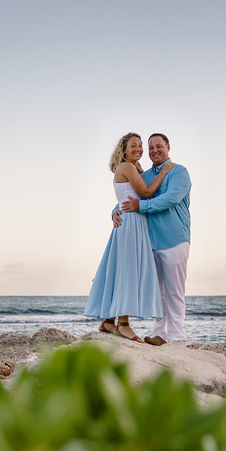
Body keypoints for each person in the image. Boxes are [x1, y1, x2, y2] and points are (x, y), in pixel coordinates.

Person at [84, 133, 176, 343]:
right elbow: (146, 192)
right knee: (127, 271)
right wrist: (165, 171)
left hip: (133, 221)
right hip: (131, 223)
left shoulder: (133, 169)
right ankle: (123, 324)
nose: (138, 149)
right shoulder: (126, 167)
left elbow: (128, 197)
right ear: (123, 150)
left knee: (121, 270)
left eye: (140, 145)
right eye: (133, 145)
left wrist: (115, 211)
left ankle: (108, 321)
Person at [115, 133, 191, 345]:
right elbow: (129, 195)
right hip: (150, 241)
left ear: (168, 147)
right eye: (151, 148)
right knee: (158, 293)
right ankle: (160, 334)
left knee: (175, 291)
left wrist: (142, 206)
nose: (155, 150)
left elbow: (171, 198)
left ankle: (176, 337)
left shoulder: (179, 172)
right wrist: (114, 211)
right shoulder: (146, 175)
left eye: (159, 146)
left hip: (175, 239)